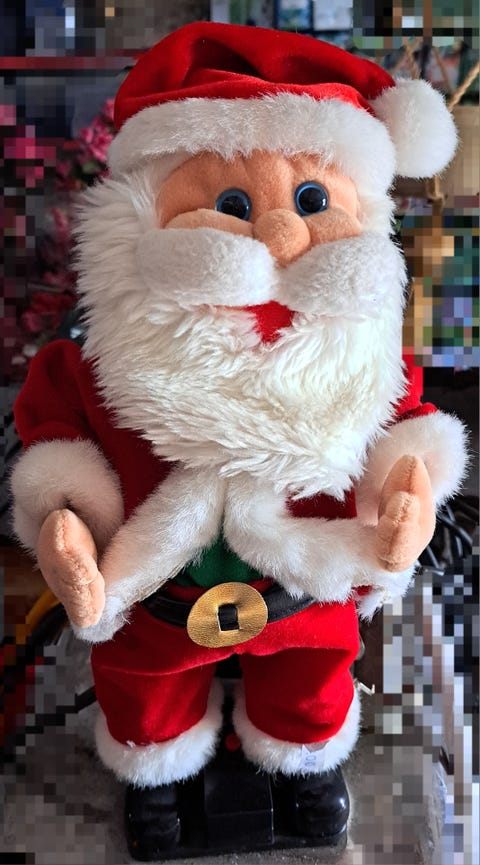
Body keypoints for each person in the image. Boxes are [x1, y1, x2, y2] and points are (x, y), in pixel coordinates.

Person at [11, 22, 467, 860]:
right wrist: (67, 518)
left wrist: (406, 495)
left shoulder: (371, 367)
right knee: (146, 688)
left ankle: (303, 761)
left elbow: (402, 436)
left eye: (312, 202)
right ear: (139, 219)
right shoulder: (93, 367)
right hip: (156, 600)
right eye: (229, 205)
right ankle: (156, 772)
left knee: (310, 679)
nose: (277, 238)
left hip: (305, 593)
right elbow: (61, 437)